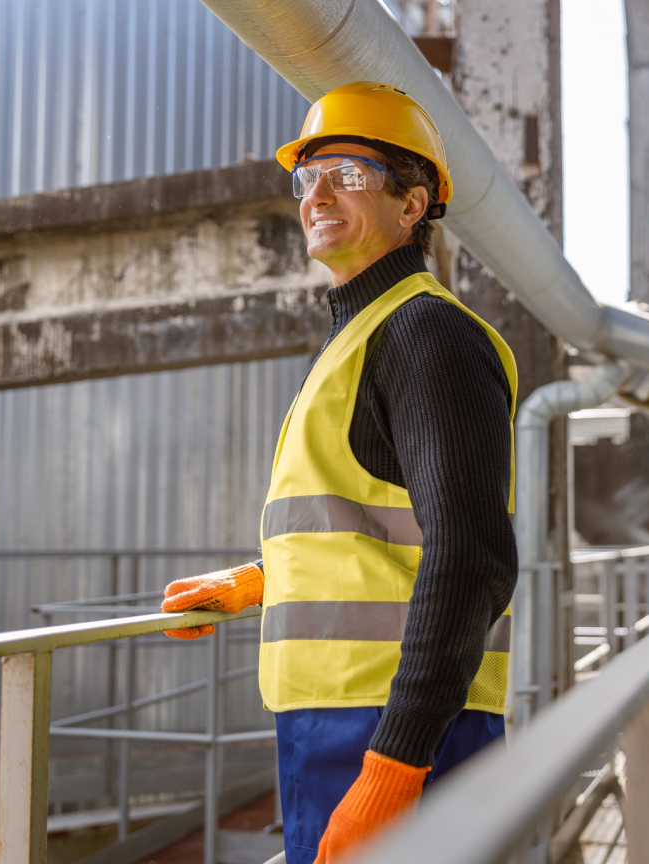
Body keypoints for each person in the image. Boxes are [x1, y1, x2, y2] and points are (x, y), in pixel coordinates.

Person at [159, 81, 518, 864]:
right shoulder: (360, 339)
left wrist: (394, 768)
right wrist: (264, 578)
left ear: (412, 204)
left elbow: (472, 558)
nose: (317, 194)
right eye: (307, 177)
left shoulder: (427, 336)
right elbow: (373, 520)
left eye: (348, 174)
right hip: (338, 719)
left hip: (399, 727)